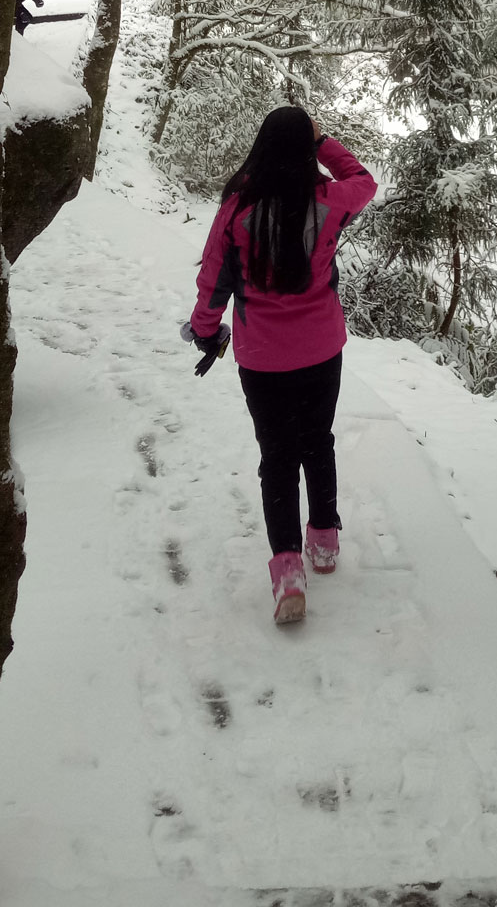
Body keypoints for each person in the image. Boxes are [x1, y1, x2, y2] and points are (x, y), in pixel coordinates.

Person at [183, 106, 376, 625]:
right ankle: (326, 541)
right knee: (319, 439)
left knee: (277, 456)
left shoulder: (237, 210)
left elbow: (213, 281)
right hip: (321, 349)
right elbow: (362, 180)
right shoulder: (330, 203)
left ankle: (289, 573)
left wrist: (205, 331)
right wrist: (324, 141)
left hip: (263, 357)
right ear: (306, 151)